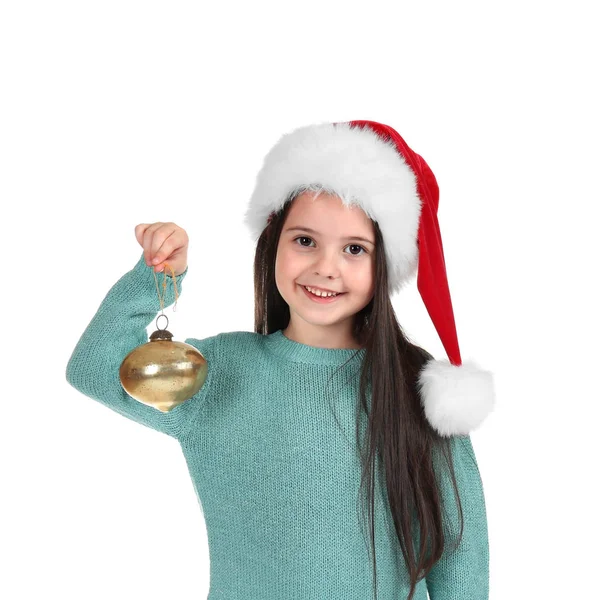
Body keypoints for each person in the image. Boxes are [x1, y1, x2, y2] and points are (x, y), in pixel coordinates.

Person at [66, 119, 496, 600]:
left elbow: (460, 556)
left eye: (355, 249)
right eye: (305, 240)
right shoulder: (220, 373)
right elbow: (95, 367)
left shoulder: (418, 388)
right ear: (274, 242)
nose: (324, 267)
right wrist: (158, 279)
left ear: (385, 265)